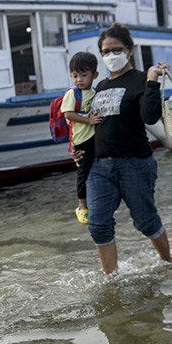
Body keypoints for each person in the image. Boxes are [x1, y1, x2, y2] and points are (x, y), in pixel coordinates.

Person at [80, 22, 172, 275]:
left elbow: (150, 116)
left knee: (145, 220)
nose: (111, 56)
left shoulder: (141, 79)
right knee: (98, 224)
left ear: (129, 50)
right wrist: (81, 150)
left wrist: (152, 81)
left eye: (116, 49)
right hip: (100, 166)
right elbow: (96, 125)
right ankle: (112, 277)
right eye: (105, 52)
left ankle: (168, 262)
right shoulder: (100, 87)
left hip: (135, 163)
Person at [61, 52, 101, 225]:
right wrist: (88, 120)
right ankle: (81, 205)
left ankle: (95, 200)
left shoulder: (95, 93)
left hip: (95, 137)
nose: (79, 80)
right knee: (83, 171)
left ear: (95, 75)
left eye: (84, 75)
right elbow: (68, 114)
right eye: (75, 76)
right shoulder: (72, 94)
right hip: (81, 139)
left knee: (96, 168)